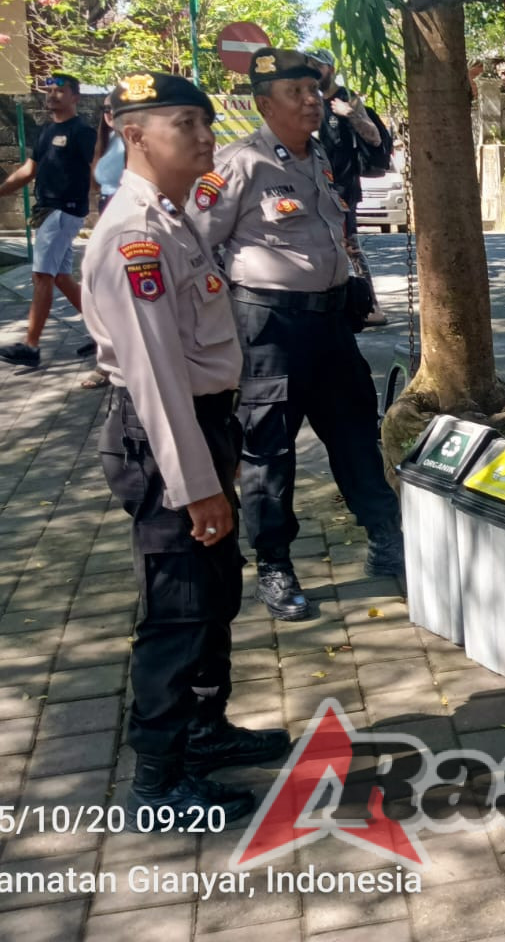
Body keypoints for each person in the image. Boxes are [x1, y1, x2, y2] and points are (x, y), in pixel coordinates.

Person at [82, 71, 289, 825]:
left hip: (200, 427)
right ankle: (159, 780)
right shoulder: (134, 237)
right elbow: (156, 378)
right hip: (162, 434)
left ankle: (204, 733)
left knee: (213, 595)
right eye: (185, 124)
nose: (206, 137)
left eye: (206, 123)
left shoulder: (169, 220)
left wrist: (216, 455)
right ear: (133, 133)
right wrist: (195, 483)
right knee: (176, 609)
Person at [192, 48, 404, 621]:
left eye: (314, 91)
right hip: (269, 327)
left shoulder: (321, 160)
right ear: (265, 103)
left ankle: (387, 538)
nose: (313, 101)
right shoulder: (240, 165)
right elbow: (197, 245)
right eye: (298, 93)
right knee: (268, 448)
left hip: (331, 324)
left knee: (356, 431)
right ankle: (275, 564)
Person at [0, 73, 96, 367]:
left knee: (41, 275)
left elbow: (97, 171)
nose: (52, 95)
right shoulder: (45, 132)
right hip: (48, 213)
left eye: (60, 91)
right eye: (49, 90)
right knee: (61, 277)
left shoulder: (82, 132)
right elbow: (28, 171)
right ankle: (103, 332)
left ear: (75, 97)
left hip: (64, 211)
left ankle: (31, 347)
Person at [309, 48, 393, 328]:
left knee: (350, 247)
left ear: (329, 69)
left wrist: (349, 115)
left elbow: (373, 138)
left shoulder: (348, 99)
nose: (312, 71)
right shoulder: (312, 104)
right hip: (316, 188)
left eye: (316, 66)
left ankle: (371, 307)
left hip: (342, 189)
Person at [82, 106, 129, 390]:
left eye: (116, 108)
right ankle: (110, 356)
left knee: (120, 290)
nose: (110, 114)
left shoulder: (134, 141)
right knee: (105, 289)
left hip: (126, 213)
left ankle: (112, 361)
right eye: (106, 109)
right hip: (108, 212)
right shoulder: (108, 140)